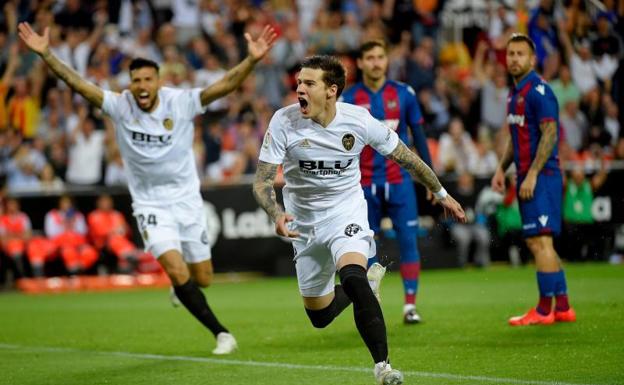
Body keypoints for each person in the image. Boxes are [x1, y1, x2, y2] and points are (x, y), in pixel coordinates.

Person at [18, 21, 276, 354]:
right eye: (136, 80)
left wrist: (252, 60)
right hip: (150, 204)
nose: (141, 85)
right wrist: (46, 54)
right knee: (174, 267)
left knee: (204, 277)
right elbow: (78, 84)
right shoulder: (119, 105)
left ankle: (183, 289)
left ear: (158, 82)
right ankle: (222, 333)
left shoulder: (179, 102)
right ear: (130, 84)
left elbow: (224, 85)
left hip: (186, 199)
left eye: (147, 79)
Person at [253, 55, 465, 385]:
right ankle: (366, 285)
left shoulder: (359, 121)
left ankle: (383, 366)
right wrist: (277, 214)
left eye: (309, 83)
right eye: (298, 83)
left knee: (352, 275)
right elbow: (262, 181)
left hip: (344, 213)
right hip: (304, 225)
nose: (299, 90)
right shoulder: (283, 121)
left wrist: (441, 194)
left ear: (331, 90)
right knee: (320, 317)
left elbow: (406, 157)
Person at [340, 40, 433, 324]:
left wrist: (430, 180)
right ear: (360, 62)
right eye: (370, 58)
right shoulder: (349, 98)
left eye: (381, 57)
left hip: (400, 182)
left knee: (408, 241)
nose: (376, 62)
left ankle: (409, 306)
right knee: (365, 246)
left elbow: (418, 137)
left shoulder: (404, 94)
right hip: (364, 186)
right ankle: (372, 302)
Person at [491, 33, 576, 326]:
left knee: (540, 242)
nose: (513, 58)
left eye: (520, 54)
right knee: (541, 243)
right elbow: (516, 139)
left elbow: (550, 135)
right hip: (530, 176)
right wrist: (502, 169)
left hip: (543, 177)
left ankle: (543, 310)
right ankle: (563, 306)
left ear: (532, 58)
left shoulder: (540, 91)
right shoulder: (515, 94)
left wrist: (533, 175)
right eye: (510, 54)